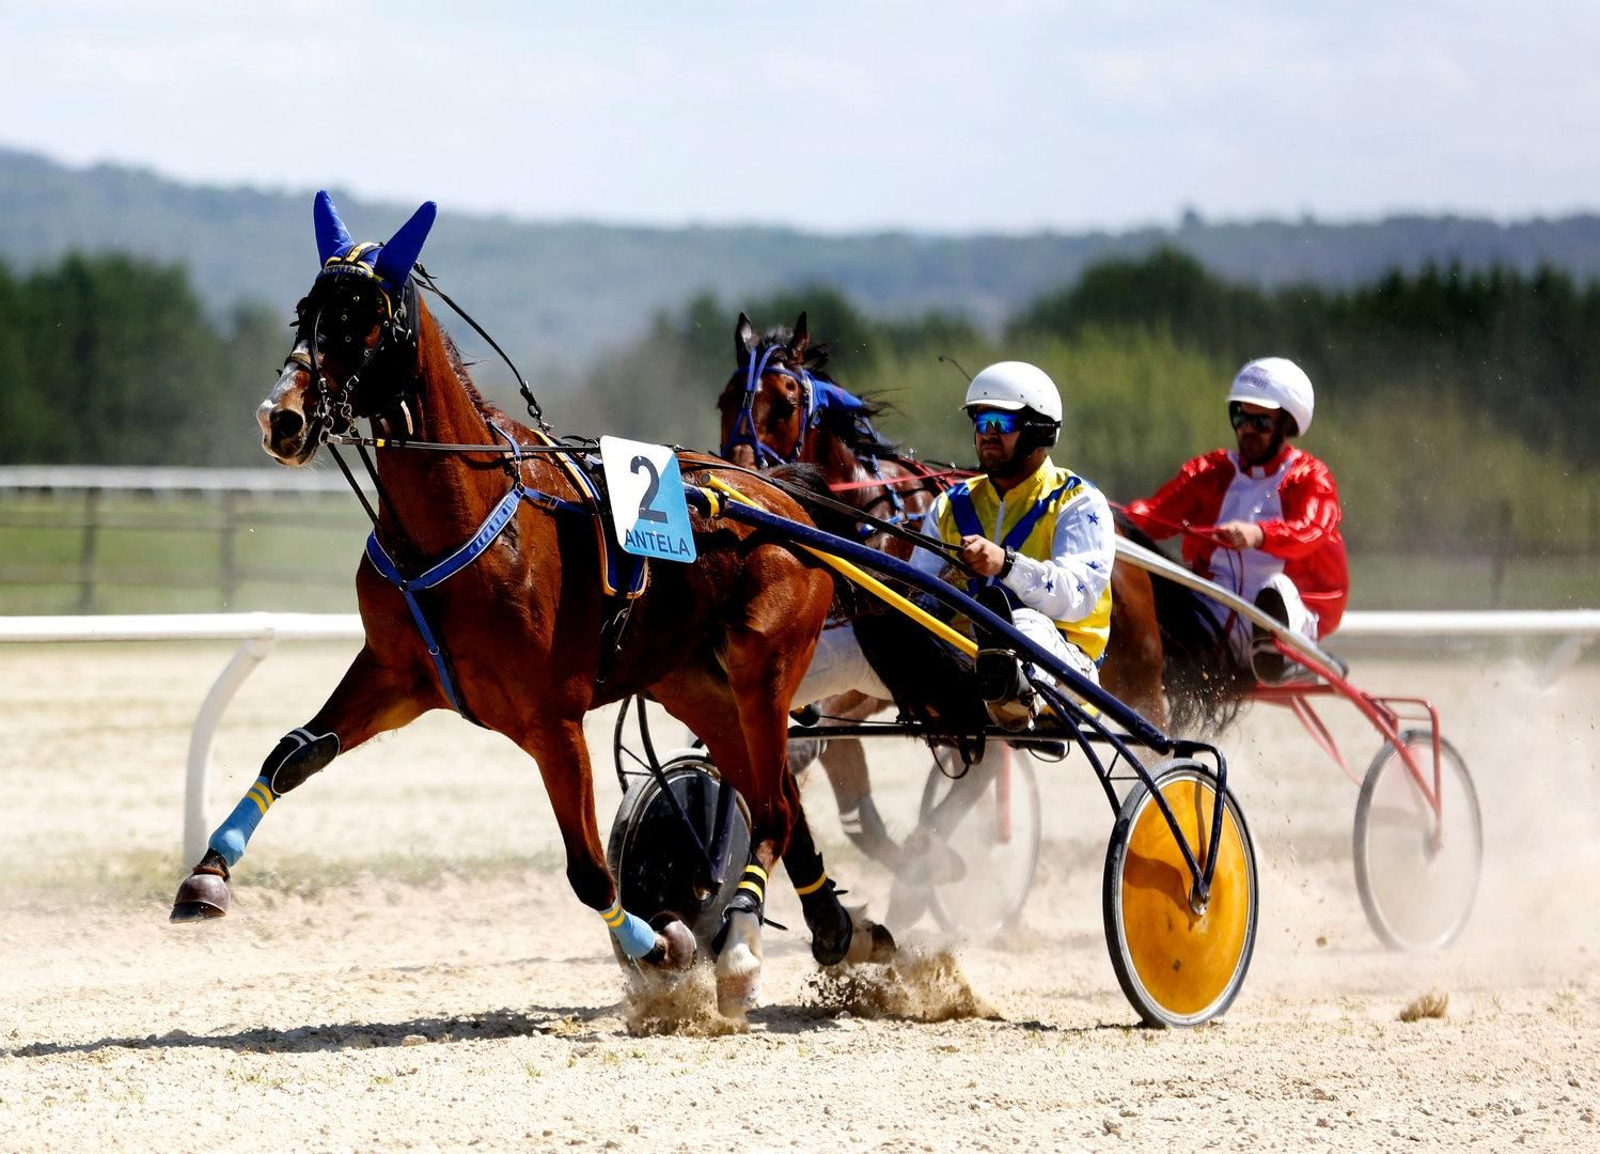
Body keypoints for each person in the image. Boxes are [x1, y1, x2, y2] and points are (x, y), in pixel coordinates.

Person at [1122, 356, 1348, 681]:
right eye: (1240, 417)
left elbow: (1311, 530)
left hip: (1291, 616)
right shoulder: (1210, 472)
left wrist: (1258, 535)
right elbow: (1152, 517)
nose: (1247, 430)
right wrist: (1103, 516)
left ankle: (1275, 656)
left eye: (1261, 422)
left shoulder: (1310, 478)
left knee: (1275, 589)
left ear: (1286, 425)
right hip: (1211, 620)